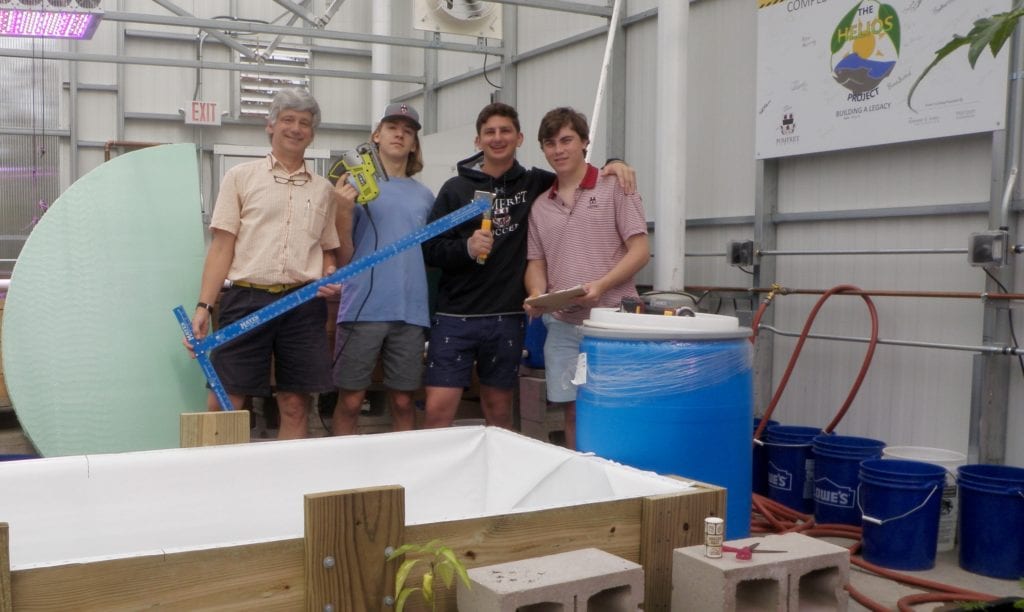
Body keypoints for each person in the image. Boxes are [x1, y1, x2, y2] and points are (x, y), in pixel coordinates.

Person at [421, 102, 635, 431]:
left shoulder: (536, 184)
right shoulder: (455, 189)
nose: (497, 138)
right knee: (438, 409)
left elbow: (576, 175)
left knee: (499, 412)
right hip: (455, 315)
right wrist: (466, 248)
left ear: (519, 138)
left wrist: (615, 164)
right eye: (489, 132)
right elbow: (429, 249)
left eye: (505, 131)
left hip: (506, 317)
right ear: (477, 141)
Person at [185, 88, 352, 440]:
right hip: (246, 299)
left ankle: (287, 474)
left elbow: (326, 249)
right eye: (288, 120)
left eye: (304, 123)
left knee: (295, 404)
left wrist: (328, 272)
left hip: (302, 305)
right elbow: (221, 247)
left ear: (312, 133)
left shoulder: (323, 190)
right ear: (271, 126)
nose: (296, 128)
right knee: (225, 400)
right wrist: (203, 306)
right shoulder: (240, 177)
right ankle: (214, 472)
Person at [523, 107, 650, 450]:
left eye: (567, 140)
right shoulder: (540, 206)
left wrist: (602, 286)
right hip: (563, 326)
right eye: (550, 143)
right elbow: (536, 263)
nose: (559, 150)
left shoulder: (616, 186)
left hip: (613, 323)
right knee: (573, 413)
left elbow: (640, 251)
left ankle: (620, 474)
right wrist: (536, 294)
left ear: (584, 142)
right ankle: (582, 477)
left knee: (618, 409)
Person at [330, 103, 434, 435]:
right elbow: (343, 257)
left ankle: (404, 465)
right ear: (376, 136)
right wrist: (343, 211)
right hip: (362, 308)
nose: (399, 134)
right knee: (350, 400)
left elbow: (433, 254)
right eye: (392, 127)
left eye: (408, 130)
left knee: (404, 401)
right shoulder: (351, 186)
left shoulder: (425, 196)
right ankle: (342, 464)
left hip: (411, 311)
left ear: (414, 144)